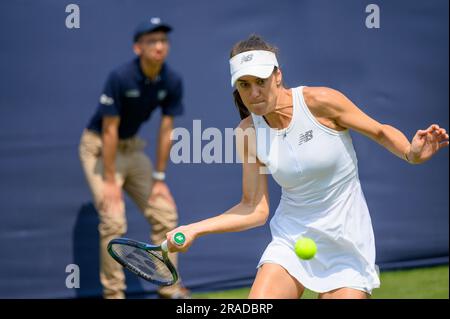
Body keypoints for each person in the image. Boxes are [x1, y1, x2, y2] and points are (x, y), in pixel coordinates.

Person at [165, 35, 449, 299]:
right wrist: (194, 229)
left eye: (260, 81)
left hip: (347, 240)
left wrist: (410, 154)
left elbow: (379, 131)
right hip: (291, 240)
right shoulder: (247, 132)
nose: (253, 93)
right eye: (244, 85)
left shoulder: (320, 102)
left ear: (278, 76)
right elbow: (254, 208)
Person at [78, 18, 191, 299]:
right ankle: (114, 295)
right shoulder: (121, 77)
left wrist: (160, 178)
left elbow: (167, 129)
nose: (159, 46)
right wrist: (109, 180)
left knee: (166, 214)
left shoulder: (171, 80)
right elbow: (109, 129)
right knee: (114, 221)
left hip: (132, 150)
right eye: (152, 41)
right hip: (101, 149)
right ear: (137, 48)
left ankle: (170, 288)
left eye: (163, 41)